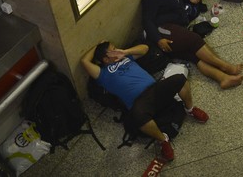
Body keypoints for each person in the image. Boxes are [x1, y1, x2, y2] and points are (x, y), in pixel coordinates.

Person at [80, 42, 209, 162]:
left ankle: (190, 110)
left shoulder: (126, 58)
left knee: (180, 79)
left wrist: (125, 52)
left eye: (115, 48)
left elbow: (145, 48)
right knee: (137, 116)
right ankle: (163, 141)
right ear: (105, 59)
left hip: (154, 89)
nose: (116, 50)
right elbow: (84, 61)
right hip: (140, 102)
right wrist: (98, 44)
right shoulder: (102, 74)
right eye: (112, 50)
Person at [141, 0, 243, 88]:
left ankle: (222, 78)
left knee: (193, 55)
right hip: (161, 29)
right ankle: (225, 66)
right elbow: (147, 21)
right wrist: (159, 39)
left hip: (175, 23)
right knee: (194, 40)